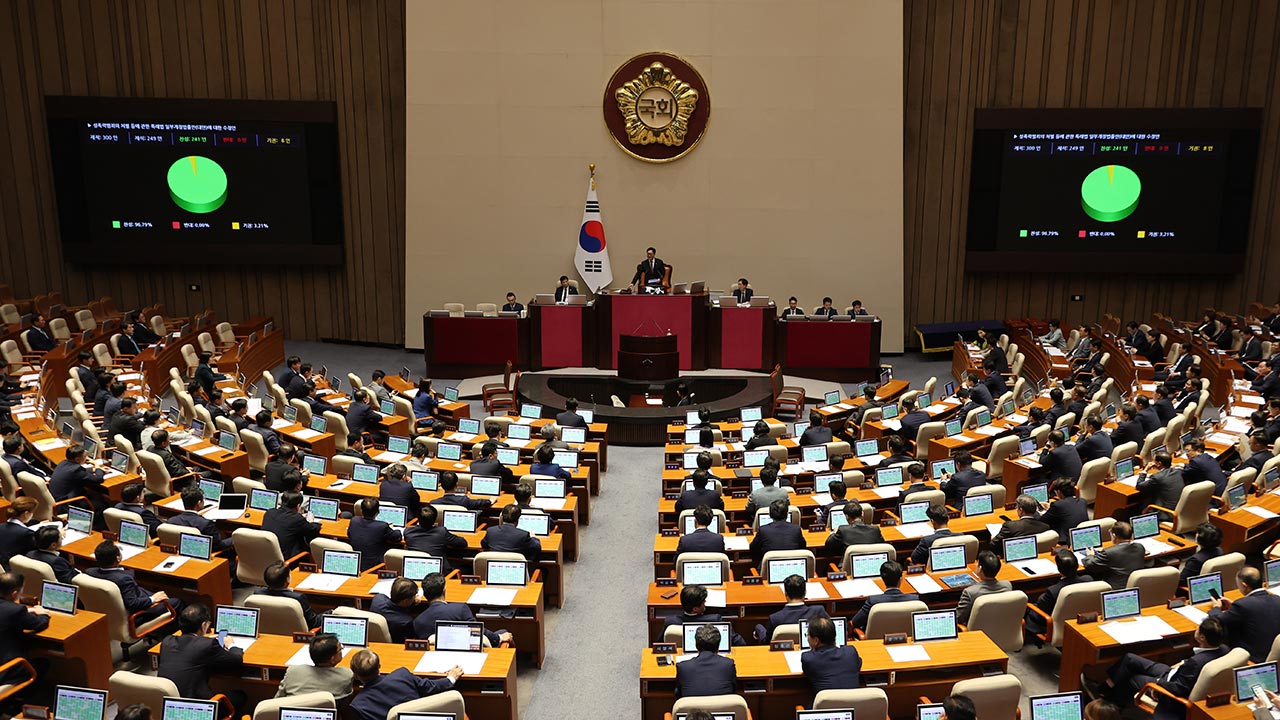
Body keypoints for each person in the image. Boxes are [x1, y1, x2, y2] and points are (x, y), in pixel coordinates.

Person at [1088, 616, 1229, 713]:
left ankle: (1112, 707)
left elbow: (1179, 689)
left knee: (1132, 678)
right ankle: (1104, 688)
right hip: (1175, 673)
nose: (1196, 630)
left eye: (1198, 629)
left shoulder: (1195, 663)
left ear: (1202, 637)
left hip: (1170, 686)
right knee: (1129, 658)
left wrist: (1158, 683)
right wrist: (1183, 663)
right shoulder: (1224, 649)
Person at [158, 603, 246, 712]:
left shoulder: (167, 642)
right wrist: (231, 645)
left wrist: (204, 640)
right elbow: (236, 660)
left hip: (167, 707)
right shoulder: (207, 645)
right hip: (198, 710)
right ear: (204, 625)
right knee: (239, 696)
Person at [347, 649, 463, 720]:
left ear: (355, 676)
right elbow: (430, 687)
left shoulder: (358, 705)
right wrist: (450, 679)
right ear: (379, 667)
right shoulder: (402, 675)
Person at [410, 571, 510, 646]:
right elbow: (478, 631)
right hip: (469, 653)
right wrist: (499, 638)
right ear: (444, 590)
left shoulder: (418, 622)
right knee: (503, 631)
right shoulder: (460, 609)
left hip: (438, 659)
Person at [86, 541, 177, 621]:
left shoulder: (90, 572)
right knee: (177, 602)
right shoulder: (123, 579)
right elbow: (133, 604)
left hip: (108, 612)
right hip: (136, 614)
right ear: (118, 558)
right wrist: (153, 599)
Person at [1208, 566, 1280, 662]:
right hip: (1274, 653)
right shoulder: (1277, 599)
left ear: (1244, 585)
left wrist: (1216, 607)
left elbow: (1218, 621)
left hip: (1253, 657)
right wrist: (1233, 606)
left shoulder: (1242, 605)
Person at [0, 571, 49, 682]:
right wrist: (44, 614)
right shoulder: (16, 611)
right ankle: (23, 692)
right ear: (14, 594)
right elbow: (40, 624)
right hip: (7, 670)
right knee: (43, 663)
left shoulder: (14, 610)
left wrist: (26, 611)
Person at [275, 632, 354, 699]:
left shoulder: (293, 672)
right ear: (332, 659)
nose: (342, 650)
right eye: (340, 649)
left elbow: (277, 700)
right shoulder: (346, 675)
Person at [661, 585, 746, 646]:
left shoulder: (670, 621)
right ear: (695, 609)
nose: (705, 603)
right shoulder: (715, 620)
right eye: (703, 602)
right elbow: (739, 642)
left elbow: (659, 643)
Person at [754, 574, 828, 643]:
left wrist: (758, 627)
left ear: (785, 593)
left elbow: (766, 642)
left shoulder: (775, 619)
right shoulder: (818, 612)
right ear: (805, 593)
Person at [851, 561, 919, 631]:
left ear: (882, 578)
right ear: (901, 579)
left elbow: (855, 622)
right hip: (907, 637)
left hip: (876, 638)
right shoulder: (914, 601)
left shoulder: (873, 602)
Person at [673, 624, 736, 699]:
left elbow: (678, 693)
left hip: (692, 707)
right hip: (723, 706)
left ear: (696, 646)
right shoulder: (728, 665)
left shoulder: (683, 667)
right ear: (718, 646)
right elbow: (734, 689)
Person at [800, 615, 861, 692]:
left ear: (816, 640)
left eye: (807, 635)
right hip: (852, 699)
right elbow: (858, 664)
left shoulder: (808, 658)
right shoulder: (850, 652)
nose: (807, 638)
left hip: (825, 700)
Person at [1083, 521, 1148, 589]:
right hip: (1137, 586)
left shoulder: (1109, 552)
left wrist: (1090, 555)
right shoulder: (1140, 547)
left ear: (1114, 536)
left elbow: (1090, 565)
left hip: (1116, 589)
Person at [256, 561, 321, 629]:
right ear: (287, 580)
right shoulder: (298, 598)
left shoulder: (257, 594)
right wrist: (328, 612)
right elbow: (313, 623)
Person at [165, 488, 233, 551]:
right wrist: (234, 538)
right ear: (199, 503)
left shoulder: (171, 521)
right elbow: (218, 546)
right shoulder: (206, 524)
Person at [403, 505, 467, 570]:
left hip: (415, 568)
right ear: (435, 520)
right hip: (438, 571)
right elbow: (463, 543)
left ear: (418, 519)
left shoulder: (408, 532)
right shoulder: (441, 532)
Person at [50, 443, 108, 515]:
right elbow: (98, 479)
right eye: (85, 456)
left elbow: (79, 473)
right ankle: (93, 521)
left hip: (57, 499)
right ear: (77, 459)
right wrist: (97, 466)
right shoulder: (76, 470)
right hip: (67, 504)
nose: (87, 458)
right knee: (103, 506)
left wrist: (94, 470)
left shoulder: (63, 463)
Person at [956, 551, 1013, 624]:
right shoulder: (1007, 585)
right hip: (1003, 626)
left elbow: (959, 618)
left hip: (977, 630)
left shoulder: (970, 592)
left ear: (980, 568)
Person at [262, 491, 321, 559]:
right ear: (298, 506)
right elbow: (313, 529)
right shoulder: (297, 519)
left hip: (265, 556)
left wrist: (300, 517)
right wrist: (311, 521)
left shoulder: (269, 513)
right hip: (287, 560)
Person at [347, 498, 402, 570]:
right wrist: (391, 528)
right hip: (374, 566)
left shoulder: (354, 521)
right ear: (378, 512)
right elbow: (397, 537)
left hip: (356, 563)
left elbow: (349, 534)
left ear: (361, 510)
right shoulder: (382, 526)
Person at [749, 499, 804, 565]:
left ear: (770, 515)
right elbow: (803, 547)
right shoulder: (796, 529)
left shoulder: (763, 530)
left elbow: (753, 548)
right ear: (787, 514)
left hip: (768, 567)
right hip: (792, 566)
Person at [369, 578, 420, 644]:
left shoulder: (377, 599)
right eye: (414, 596)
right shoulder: (405, 622)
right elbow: (410, 639)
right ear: (405, 601)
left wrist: (412, 603)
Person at [1135, 453, 1183, 522]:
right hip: (1178, 509)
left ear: (1158, 463)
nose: (1151, 462)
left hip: (1165, 513)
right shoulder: (1177, 472)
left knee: (1137, 506)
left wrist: (1145, 470)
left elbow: (1139, 486)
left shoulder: (1158, 477)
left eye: (1153, 461)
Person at [0, 497, 37, 566]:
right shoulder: (26, 533)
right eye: (32, 512)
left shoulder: (1, 526)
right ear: (26, 514)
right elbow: (37, 550)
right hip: (15, 568)